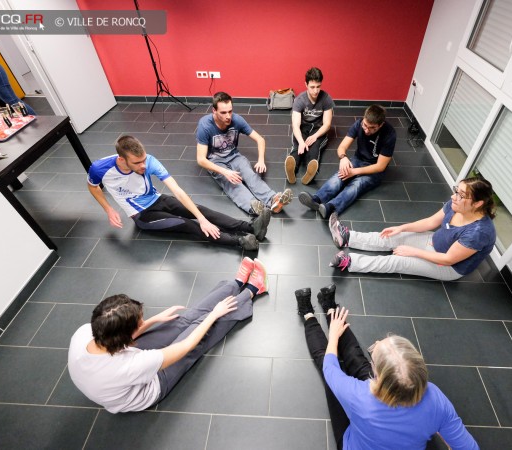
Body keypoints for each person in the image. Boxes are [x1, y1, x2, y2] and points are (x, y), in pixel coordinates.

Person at [68, 257, 268, 413]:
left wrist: (154, 321)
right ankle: (252, 290)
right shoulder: (128, 366)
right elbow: (186, 346)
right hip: (151, 385)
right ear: (125, 337)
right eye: (139, 321)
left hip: (117, 366)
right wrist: (214, 314)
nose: (143, 321)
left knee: (183, 319)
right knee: (200, 328)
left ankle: (235, 284)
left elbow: (124, 338)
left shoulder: (86, 332)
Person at [295, 285, 479, 450]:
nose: (375, 343)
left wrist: (334, 336)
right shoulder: (436, 399)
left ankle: (308, 315)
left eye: (373, 357)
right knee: (357, 360)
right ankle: (331, 309)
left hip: (351, 442)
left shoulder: (359, 396)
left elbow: (330, 368)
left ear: (378, 375)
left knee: (326, 363)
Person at [87, 135, 270, 251]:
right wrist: (109, 209)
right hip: (142, 214)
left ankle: (250, 228)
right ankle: (240, 243)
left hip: (159, 199)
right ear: (122, 159)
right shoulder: (99, 168)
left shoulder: (149, 160)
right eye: (137, 163)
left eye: (144, 160)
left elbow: (177, 190)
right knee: (189, 225)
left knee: (201, 211)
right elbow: (92, 187)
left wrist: (202, 217)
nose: (143, 165)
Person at [328, 177, 496, 281]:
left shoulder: (479, 233)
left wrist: (412, 251)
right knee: (391, 237)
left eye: (460, 195)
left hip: (447, 267)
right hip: (434, 241)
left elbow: (448, 259)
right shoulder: (456, 204)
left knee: (398, 261)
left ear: (478, 203)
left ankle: (350, 262)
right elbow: (430, 222)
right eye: (456, 190)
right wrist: (401, 228)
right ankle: (348, 237)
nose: (454, 196)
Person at [196, 91, 293, 215]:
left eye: (230, 111)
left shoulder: (237, 120)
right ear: (214, 111)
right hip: (216, 162)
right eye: (223, 112)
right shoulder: (205, 126)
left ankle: (273, 200)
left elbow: (260, 139)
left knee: (250, 175)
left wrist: (261, 160)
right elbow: (201, 159)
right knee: (233, 183)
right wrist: (226, 172)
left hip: (234, 156)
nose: (228, 116)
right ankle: (254, 206)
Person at [298, 105, 396, 218]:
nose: (366, 130)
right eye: (365, 125)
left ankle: (331, 207)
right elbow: (342, 147)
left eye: (371, 128)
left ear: (381, 125)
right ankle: (316, 199)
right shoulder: (358, 124)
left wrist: (354, 172)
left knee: (357, 185)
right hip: (358, 159)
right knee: (340, 176)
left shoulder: (390, 134)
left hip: (374, 169)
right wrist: (343, 157)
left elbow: (380, 166)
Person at [285, 67, 334, 185]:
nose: (316, 91)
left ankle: (310, 172)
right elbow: (295, 125)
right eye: (312, 87)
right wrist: (302, 142)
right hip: (303, 127)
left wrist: (315, 136)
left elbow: (327, 124)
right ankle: (292, 169)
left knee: (314, 149)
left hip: (319, 129)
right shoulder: (299, 100)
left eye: (318, 86)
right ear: (306, 84)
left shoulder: (326, 99)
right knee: (298, 148)